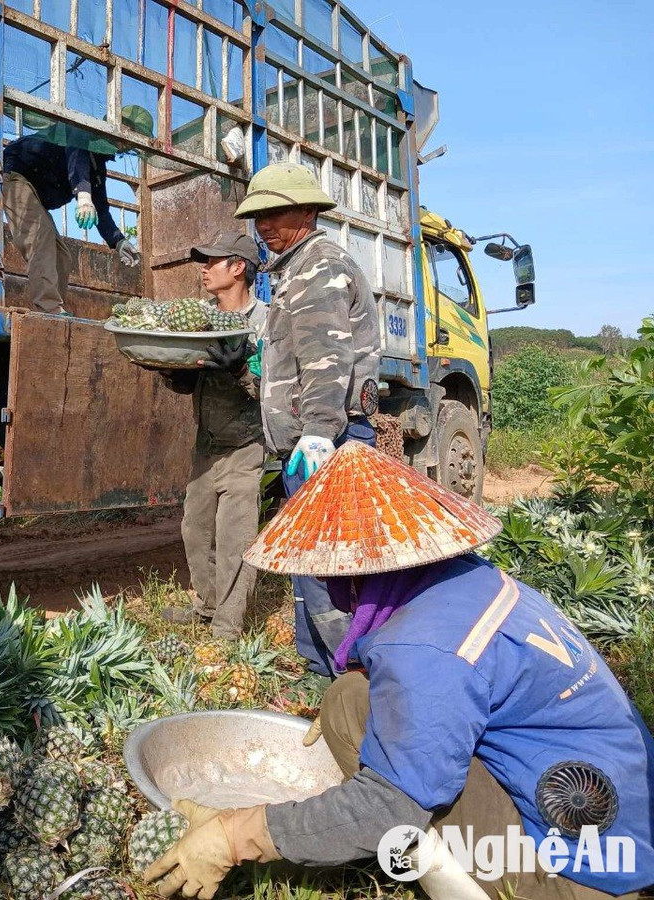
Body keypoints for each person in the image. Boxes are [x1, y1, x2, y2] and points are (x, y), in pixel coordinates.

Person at [144, 442, 654, 900]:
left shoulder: (423, 646)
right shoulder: (472, 582)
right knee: (352, 698)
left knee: (385, 785)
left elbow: (387, 808)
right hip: (626, 828)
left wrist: (234, 837)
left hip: (579, 875)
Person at [234, 162, 382, 677]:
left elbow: (326, 358)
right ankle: (321, 668)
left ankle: (352, 675)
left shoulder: (318, 267)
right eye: (259, 216)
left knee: (329, 563)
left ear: (308, 212)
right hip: (313, 440)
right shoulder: (296, 269)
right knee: (310, 561)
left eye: (276, 214)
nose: (264, 226)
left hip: (327, 442)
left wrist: (318, 431)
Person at [159, 231, 265, 639]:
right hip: (205, 446)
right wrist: (173, 372)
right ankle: (207, 605)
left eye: (212, 262)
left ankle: (227, 626)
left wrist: (240, 369)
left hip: (245, 446)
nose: (204, 270)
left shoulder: (265, 322)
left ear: (237, 267)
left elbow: (274, 392)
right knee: (196, 531)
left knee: (235, 537)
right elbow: (190, 383)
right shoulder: (201, 318)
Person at [2, 106, 152, 314]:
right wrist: (83, 194)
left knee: (62, 256)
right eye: (129, 132)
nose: (128, 142)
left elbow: (101, 208)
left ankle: (54, 310)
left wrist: (118, 241)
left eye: (134, 139)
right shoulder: (82, 132)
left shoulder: (98, 165)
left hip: (37, 195)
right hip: (17, 175)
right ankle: (49, 309)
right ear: (118, 125)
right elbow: (76, 155)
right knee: (40, 238)